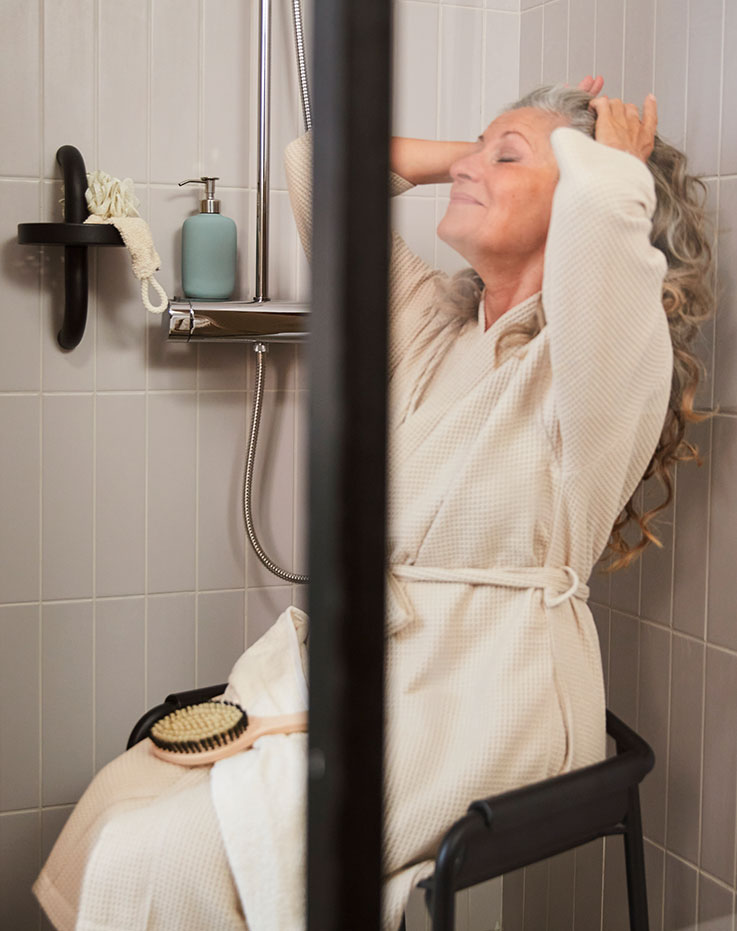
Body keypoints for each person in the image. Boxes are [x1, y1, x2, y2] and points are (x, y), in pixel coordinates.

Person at [33, 77, 713, 931]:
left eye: (507, 159)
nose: (470, 164)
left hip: (485, 693)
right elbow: (316, 165)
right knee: (125, 801)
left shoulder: (598, 368)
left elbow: (608, 270)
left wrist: (605, 166)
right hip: (385, 675)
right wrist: (491, 151)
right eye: (475, 145)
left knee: (162, 856)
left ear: (581, 203)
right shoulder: (432, 323)